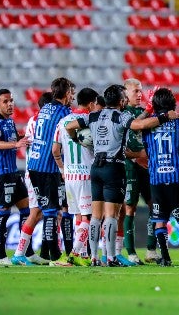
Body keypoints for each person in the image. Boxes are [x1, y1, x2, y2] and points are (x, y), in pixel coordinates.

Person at [64, 84, 178, 266]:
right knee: (111, 216)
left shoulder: (94, 115)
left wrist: (76, 138)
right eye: (124, 96)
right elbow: (138, 125)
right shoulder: (121, 116)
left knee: (95, 216)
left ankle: (93, 257)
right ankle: (110, 257)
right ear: (120, 100)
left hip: (96, 168)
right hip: (113, 167)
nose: (126, 99)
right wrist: (164, 117)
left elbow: (69, 126)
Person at [11, 78, 75, 266]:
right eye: (71, 92)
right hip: (47, 167)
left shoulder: (44, 109)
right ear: (66, 93)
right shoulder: (64, 112)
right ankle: (55, 258)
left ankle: (19, 253)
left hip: (34, 166)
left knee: (38, 212)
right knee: (50, 212)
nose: (73, 96)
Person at [142, 88, 179, 266]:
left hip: (157, 178)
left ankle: (165, 258)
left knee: (160, 220)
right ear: (172, 102)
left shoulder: (148, 125)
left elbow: (146, 147)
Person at [51, 88, 100, 267]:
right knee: (88, 216)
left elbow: (55, 150)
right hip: (86, 174)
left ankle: (84, 255)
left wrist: (62, 168)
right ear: (90, 104)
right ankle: (72, 255)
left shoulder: (62, 122)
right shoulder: (91, 121)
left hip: (69, 175)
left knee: (78, 216)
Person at [0, 89, 32, 266]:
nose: (10, 104)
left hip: (13, 172)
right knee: (3, 214)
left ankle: (26, 253)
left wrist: (25, 138)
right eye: (5, 101)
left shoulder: (10, 122)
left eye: (11, 100)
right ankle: (0, 256)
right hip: (1, 173)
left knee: (26, 210)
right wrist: (16, 143)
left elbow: (15, 139)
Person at [122, 78, 158, 265]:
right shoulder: (123, 112)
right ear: (125, 93)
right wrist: (149, 111)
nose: (139, 94)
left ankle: (151, 250)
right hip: (130, 167)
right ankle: (131, 253)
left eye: (141, 90)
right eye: (135, 91)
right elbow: (136, 124)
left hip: (147, 166)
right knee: (130, 207)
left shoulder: (141, 111)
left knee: (155, 205)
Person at [23, 92, 53, 264]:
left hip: (34, 170)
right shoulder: (42, 122)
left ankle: (43, 253)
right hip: (39, 172)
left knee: (43, 213)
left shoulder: (33, 120)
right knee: (36, 213)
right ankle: (20, 253)